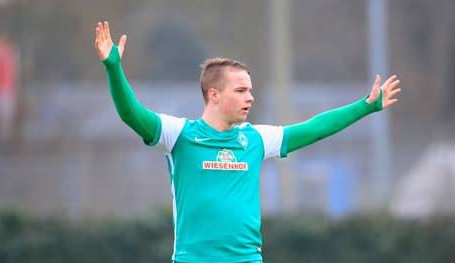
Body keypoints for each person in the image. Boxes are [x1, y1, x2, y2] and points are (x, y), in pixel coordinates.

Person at [94, 21, 401, 263]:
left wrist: (366, 105)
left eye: (250, 90)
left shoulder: (255, 138)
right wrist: (113, 68)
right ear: (214, 95)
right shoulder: (179, 135)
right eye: (240, 90)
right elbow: (131, 114)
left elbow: (315, 128)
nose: (250, 97)